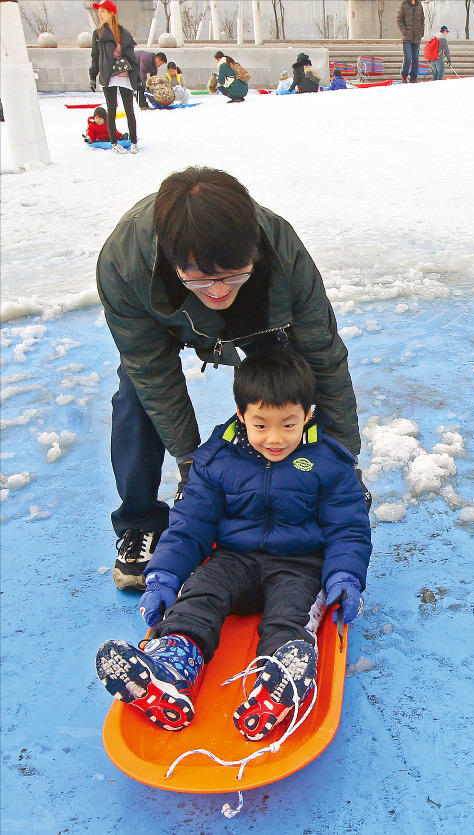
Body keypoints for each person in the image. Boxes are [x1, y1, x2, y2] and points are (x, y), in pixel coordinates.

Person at [96, 166, 367, 591]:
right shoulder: (123, 263)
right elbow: (152, 370)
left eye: (232, 275)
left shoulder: (280, 246)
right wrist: (189, 460)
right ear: (171, 260)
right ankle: (140, 521)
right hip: (168, 320)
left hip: (259, 318)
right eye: (202, 277)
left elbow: (321, 354)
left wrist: (343, 456)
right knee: (135, 398)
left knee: (290, 384)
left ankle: (293, 491)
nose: (219, 292)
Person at [96, 348, 372, 740]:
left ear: (308, 415)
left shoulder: (328, 462)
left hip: (299, 564)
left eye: (288, 425)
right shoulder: (217, 460)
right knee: (199, 595)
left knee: (290, 615)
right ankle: (170, 669)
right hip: (233, 559)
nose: (275, 438)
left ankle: (277, 684)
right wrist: (163, 576)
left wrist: (346, 575)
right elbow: (190, 525)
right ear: (242, 416)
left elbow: (348, 527)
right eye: (261, 424)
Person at [89, 0, 140, 154]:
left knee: (129, 110)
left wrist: (137, 79)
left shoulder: (123, 33)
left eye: (102, 12)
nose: (100, 15)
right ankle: (113, 143)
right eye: (99, 12)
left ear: (111, 13)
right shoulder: (98, 34)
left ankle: (134, 141)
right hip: (108, 75)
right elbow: (95, 56)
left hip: (125, 75)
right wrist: (93, 75)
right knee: (111, 110)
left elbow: (132, 57)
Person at [397, 0, 425, 84]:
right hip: (407, 37)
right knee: (408, 57)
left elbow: (422, 20)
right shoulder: (404, 4)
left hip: (417, 37)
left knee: (416, 58)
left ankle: (413, 77)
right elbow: (399, 19)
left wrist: (421, 32)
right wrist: (404, 31)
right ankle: (404, 75)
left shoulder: (419, 5)